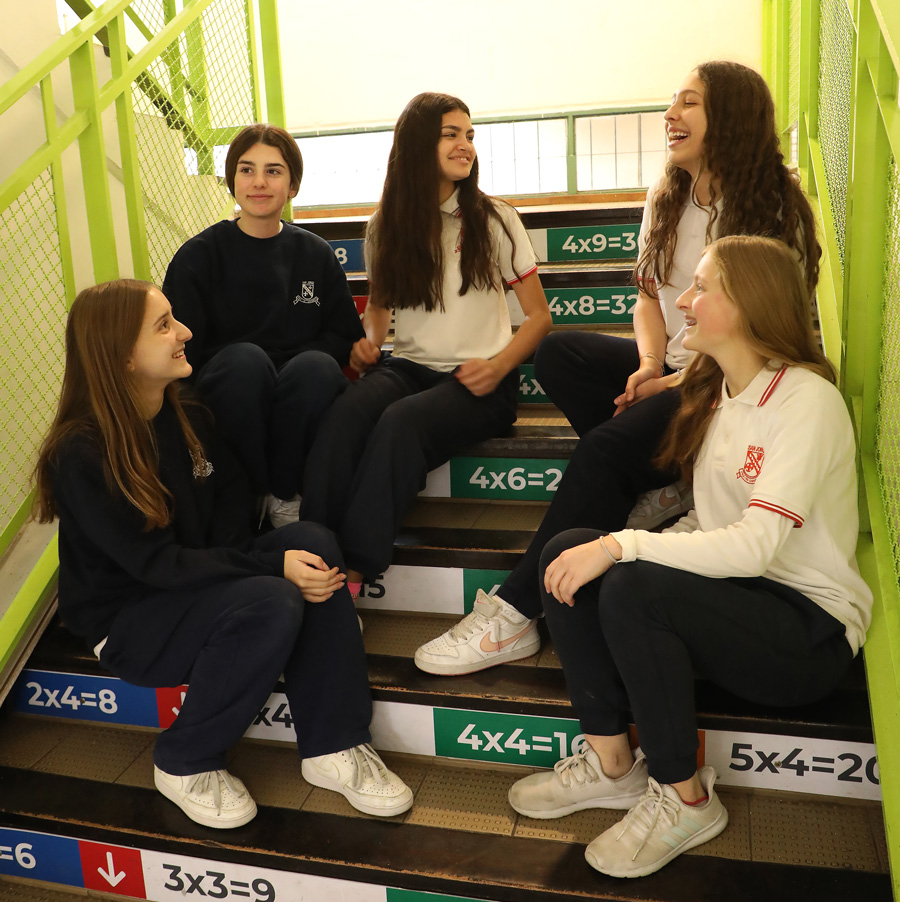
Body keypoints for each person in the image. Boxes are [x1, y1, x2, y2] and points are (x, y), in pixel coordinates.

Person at [415, 60, 821, 675]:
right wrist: (650, 363)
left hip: (732, 382)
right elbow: (646, 299)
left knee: (603, 451)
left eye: (689, 103)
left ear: (732, 118)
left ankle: (515, 613)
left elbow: (765, 336)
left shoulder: (775, 204)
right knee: (560, 354)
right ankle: (666, 481)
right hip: (678, 366)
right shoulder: (669, 195)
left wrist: (674, 381)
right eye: (673, 102)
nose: (670, 115)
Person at [506, 236, 872, 878]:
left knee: (629, 580)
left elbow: (754, 545)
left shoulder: (805, 401)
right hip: (738, 604)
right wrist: (609, 551)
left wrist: (623, 546)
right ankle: (612, 765)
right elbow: (708, 523)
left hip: (807, 633)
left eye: (702, 288)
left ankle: (686, 799)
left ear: (749, 304)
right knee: (567, 550)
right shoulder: (721, 396)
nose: (682, 300)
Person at [33, 280, 413, 829]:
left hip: (199, 581)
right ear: (124, 356)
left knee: (314, 541)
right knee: (272, 599)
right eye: (164, 325)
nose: (185, 333)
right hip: (132, 618)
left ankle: (334, 744)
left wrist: (261, 562)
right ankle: (185, 758)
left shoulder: (187, 413)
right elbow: (156, 566)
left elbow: (232, 506)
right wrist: (267, 568)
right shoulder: (82, 452)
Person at [298, 92, 552, 598]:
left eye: (470, 135)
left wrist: (499, 367)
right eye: (451, 134)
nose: (466, 145)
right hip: (409, 367)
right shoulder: (385, 225)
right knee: (346, 413)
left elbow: (540, 318)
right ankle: (310, 555)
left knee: (401, 422)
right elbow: (379, 307)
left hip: (481, 380)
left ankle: (352, 578)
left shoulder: (496, 218)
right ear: (417, 144)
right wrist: (370, 343)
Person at [162, 124, 364, 528]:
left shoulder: (315, 253)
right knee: (246, 364)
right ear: (232, 181)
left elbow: (343, 335)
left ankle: (282, 493)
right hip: (231, 387)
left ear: (293, 186)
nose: (258, 182)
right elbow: (183, 347)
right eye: (246, 169)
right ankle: (246, 493)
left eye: (273, 171)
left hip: (298, 387)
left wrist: (292, 368)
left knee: (317, 368)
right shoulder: (197, 256)